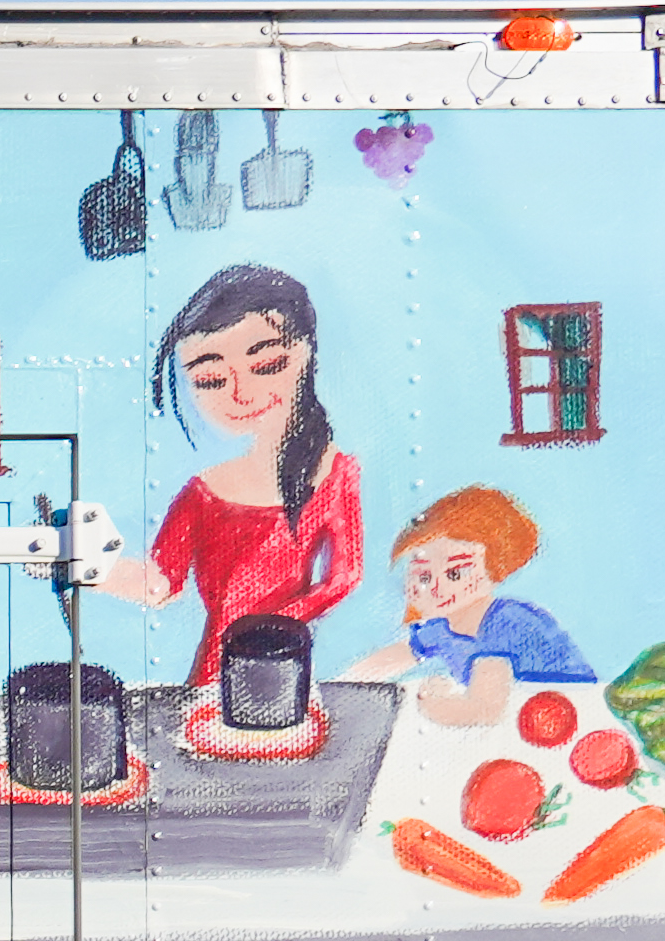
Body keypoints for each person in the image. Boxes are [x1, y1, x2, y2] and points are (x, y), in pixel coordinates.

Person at [88, 260, 361, 690]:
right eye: (211, 380)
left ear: (306, 354)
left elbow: (342, 578)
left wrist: (269, 629)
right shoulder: (203, 492)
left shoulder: (335, 472)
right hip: (214, 674)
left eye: (267, 364)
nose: (239, 393)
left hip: (287, 664)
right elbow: (160, 584)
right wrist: (81, 565)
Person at [338, 483, 595, 722]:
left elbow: (485, 710)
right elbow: (393, 658)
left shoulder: (506, 623)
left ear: (494, 570)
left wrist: (432, 704)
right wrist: (335, 688)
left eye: (455, 574)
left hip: (571, 720)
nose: (436, 588)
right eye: (424, 576)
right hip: (523, 725)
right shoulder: (443, 627)